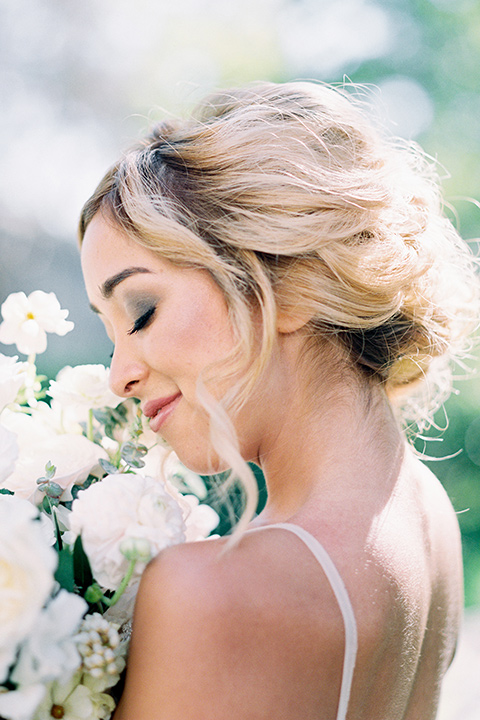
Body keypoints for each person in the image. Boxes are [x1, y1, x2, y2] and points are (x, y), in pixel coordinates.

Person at [79, 81, 479, 720]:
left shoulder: (210, 593)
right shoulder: (431, 524)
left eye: (142, 311)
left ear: (288, 284)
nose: (118, 376)